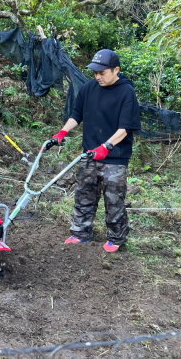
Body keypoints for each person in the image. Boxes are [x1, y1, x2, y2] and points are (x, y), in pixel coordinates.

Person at [46, 49, 140, 253]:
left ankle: (116, 238)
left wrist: (106, 147)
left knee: (113, 199)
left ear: (116, 70)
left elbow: (125, 128)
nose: (98, 77)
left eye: (102, 73)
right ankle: (80, 233)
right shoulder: (89, 88)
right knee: (83, 194)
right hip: (89, 154)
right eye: (95, 72)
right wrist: (62, 132)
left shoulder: (126, 93)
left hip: (115, 157)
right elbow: (77, 114)